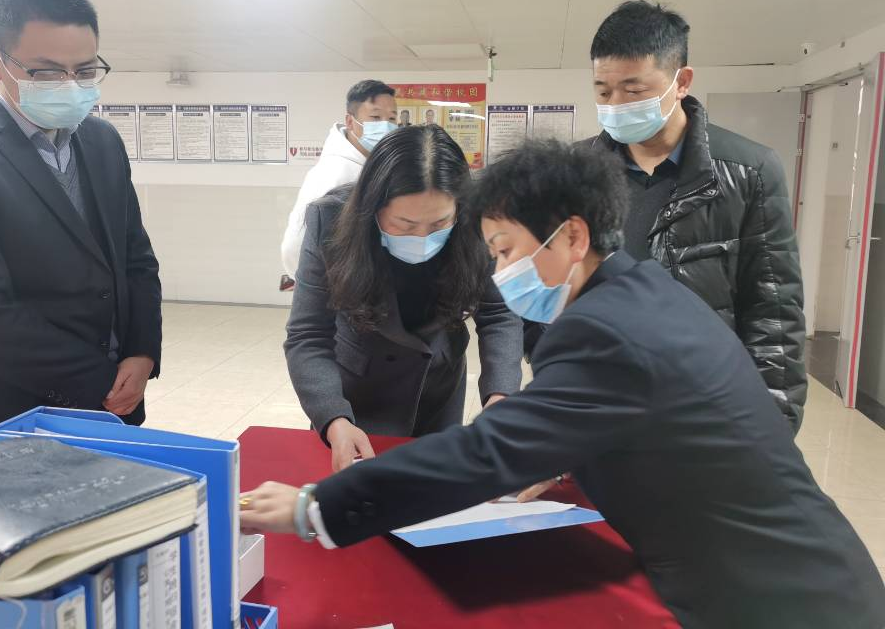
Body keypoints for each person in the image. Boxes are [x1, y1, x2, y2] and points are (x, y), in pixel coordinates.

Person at [240, 141, 885, 629]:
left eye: (504, 250)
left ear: (572, 235)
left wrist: (316, 508)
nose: (498, 272)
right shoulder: (641, 290)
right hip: (802, 572)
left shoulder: (600, 333)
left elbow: (482, 454)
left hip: (778, 600)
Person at [0, 0, 161, 438]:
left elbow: (135, 256)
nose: (70, 86)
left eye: (86, 70)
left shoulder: (101, 139)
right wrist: (101, 384)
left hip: (120, 398)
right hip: (22, 409)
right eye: (47, 72)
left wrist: (142, 352)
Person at [575, 0, 807, 432]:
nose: (616, 105)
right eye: (603, 92)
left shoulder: (749, 171)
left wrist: (773, 429)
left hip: (702, 401)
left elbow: (773, 311)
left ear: (681, 82)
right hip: (602, 398)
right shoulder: (576, 172)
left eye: (634, 90)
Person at [284, 124, 523, 472]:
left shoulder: (479, 220)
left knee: (433, 487)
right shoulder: (331, 220)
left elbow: (499, 314)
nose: (422, 237)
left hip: (437, 384)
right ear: (373, 206)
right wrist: (333, 418)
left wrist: (500, 396)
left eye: (439, 223)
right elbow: (308, 334)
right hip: (356, 392)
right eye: (405, 225)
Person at [281, 79, 398, 278]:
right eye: (375, 117)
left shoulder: (370, 165)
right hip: (337, 285)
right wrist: (316, 285)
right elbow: (295, 247)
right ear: (350, 122)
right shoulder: (335, 174)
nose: (385, 126)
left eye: (392, 118)